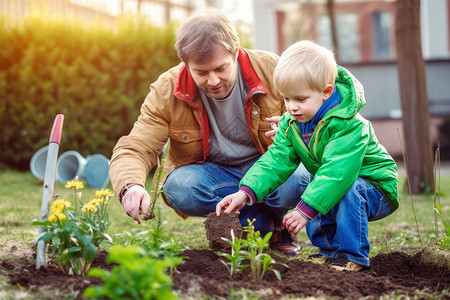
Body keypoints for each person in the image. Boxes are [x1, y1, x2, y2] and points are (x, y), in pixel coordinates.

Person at [109, 8, 307, 256]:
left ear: (235, 52)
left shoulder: (274, 70)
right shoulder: (167, 89)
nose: (213, 80)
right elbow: (136, 146)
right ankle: (262, 220)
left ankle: (271, 219)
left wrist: (295, 130)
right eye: (201, 72)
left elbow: (320, 112)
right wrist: (130, 186)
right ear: (186, 64)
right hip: (215, 174)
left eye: (221, 68)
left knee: (299, 176)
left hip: (270, 165)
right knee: (178, 188)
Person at [216, 40, 399, 271]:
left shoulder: (348, 125)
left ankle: (352, 256)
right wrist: (246, 191)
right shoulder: (292, 123)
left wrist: (304, 210)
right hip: (338, 181)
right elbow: (275, 160)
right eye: (286, 98)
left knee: (345, 190)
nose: (291, 107)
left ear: (326, 92)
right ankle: (329, 251)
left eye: (300, 99)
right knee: (315, 183)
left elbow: (337, 173)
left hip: (376, 187)